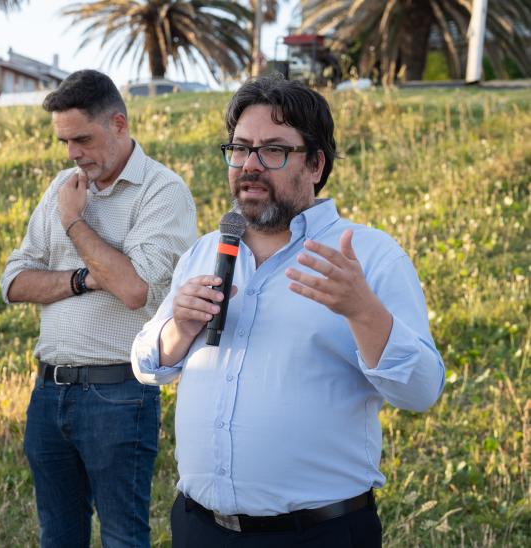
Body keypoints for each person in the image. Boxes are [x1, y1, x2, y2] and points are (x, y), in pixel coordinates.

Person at [131, 76, 445, 547]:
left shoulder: (370, 256)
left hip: (317, 534)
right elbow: (146, 364)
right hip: (198, 528)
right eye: (239, 149)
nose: (250, 165)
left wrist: (363, 311)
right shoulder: (204, 253)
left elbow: (421, 391)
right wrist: (180, 326)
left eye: (273, 151)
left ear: (316, 163)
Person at [0, 69, 196, 547]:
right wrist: (84, 278)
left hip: (119, 393)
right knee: (57, 536)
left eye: (81, 139)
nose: (72, 154)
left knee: (123, 538)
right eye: (64, 142)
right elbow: (13, 282)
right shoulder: (62, 187)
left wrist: (73, 224)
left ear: (119, 124)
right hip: (48, 392)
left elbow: (133, 288)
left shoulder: (161, 192)